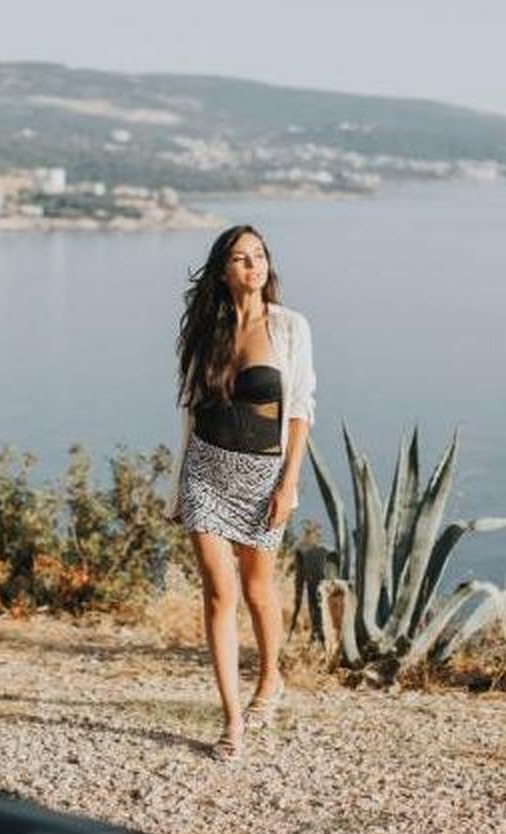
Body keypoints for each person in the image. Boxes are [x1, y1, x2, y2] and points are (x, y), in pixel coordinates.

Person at [167, 224, 316, 762]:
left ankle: (270, 679)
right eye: (239, 257)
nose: (251, 265)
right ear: (223, 270)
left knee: (257, 591)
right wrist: (179, 487)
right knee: (217, 592)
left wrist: (289, 483)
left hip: (261, 475)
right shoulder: (203, 333)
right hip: (205, 469)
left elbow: (300, 411)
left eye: (258, 256)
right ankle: (232, 720)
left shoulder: (290, 328)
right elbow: (189, 409)